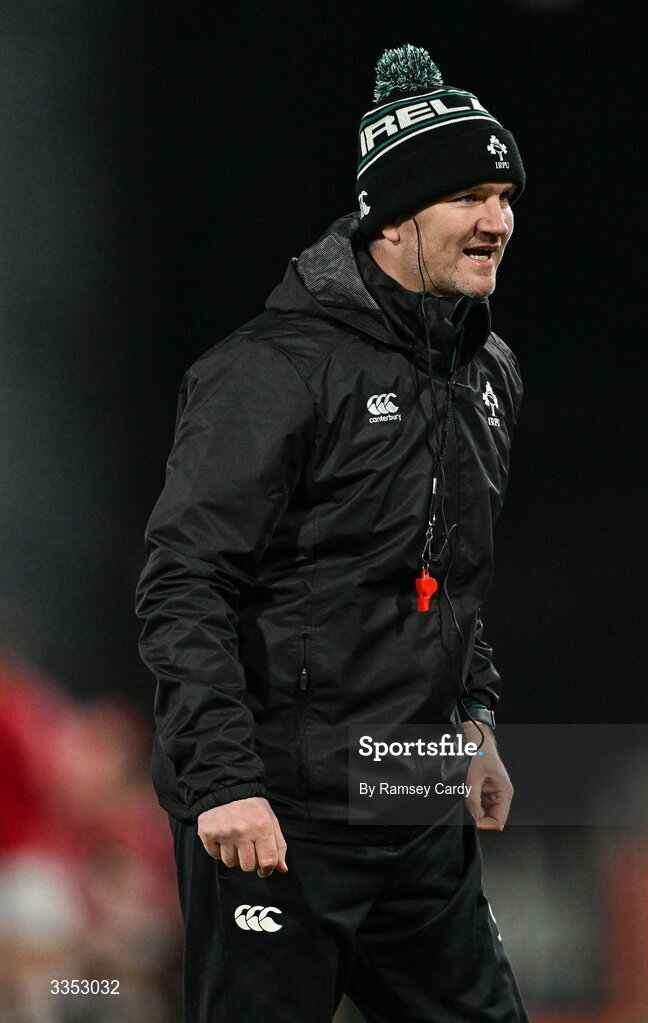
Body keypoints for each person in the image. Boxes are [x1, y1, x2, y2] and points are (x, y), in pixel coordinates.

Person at [136, 43, 528, 1022]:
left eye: (505, 194)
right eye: (468, 195)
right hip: (277, 810)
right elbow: (185, 585)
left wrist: (472, 724)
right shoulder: (267, 371)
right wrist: (222, 781)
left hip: (412, 803)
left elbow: (448, 583)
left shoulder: (488, 375)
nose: (498, 220)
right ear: (393, 217)